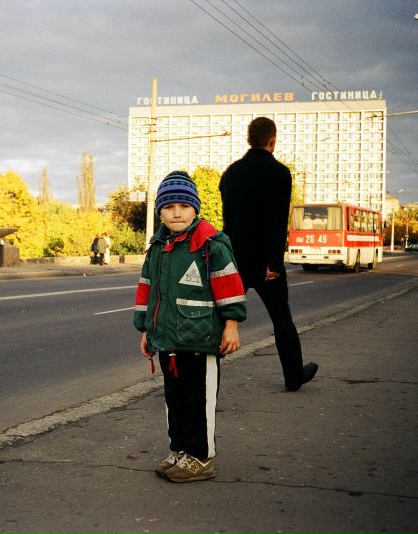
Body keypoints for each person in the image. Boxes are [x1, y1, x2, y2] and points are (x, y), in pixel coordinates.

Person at [133, 171, 247, 483]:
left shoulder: (210, 244)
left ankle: (202, 457)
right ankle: (180, 449)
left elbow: (229, 286)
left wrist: (232, 325)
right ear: (160, 212)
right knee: (175, 401)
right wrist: (146, 329)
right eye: (169, 207)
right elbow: (148, 289)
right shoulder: (157, 246)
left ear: (195, 208)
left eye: (184, 205)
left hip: (201, 340)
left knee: (199, 402)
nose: (177, 212)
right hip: (168, 342)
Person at [219, 116, 319, 392]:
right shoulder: (279, 173)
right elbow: (276, 220)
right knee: (281, 319)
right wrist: (274, 261)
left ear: (249, 139)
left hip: (233, 260)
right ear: (272, 140)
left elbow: (229, 218)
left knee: (220, 320)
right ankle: (293, 375)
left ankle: (201, 377)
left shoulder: (231, 172)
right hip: (265, 263)